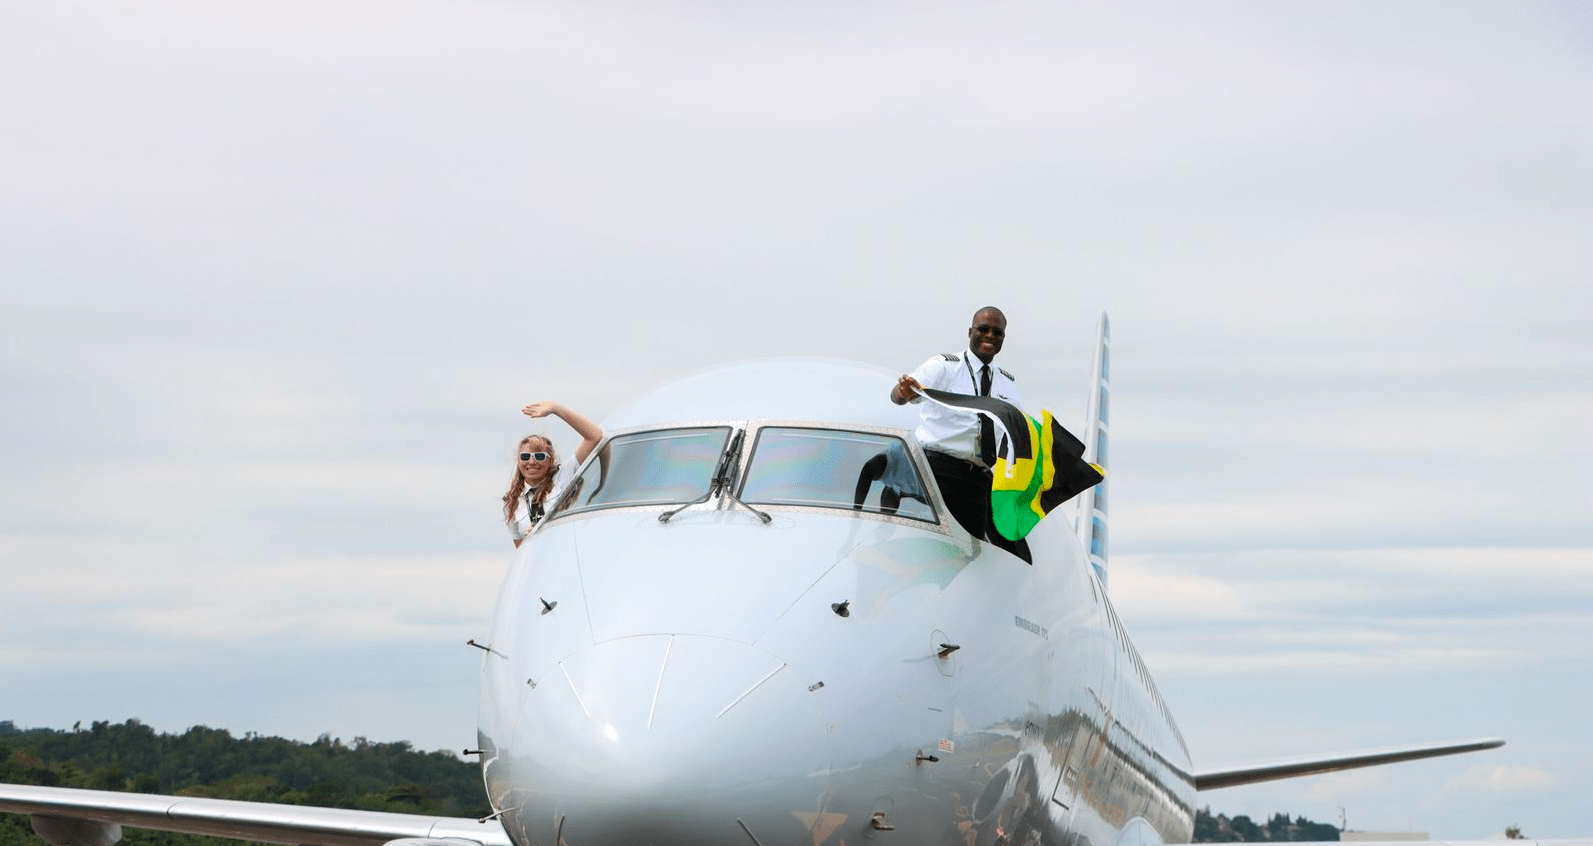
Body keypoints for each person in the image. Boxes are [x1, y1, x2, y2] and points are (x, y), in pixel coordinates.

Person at [889, 306, 1030, 559]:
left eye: (997, 332)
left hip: (977, 479)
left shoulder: (1007, 384)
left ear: (1003, 339)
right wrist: (904, 392)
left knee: (968, 558)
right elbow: (900, 395)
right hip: (937, 473)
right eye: (983, 329)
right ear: (970, 332)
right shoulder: (944, 367)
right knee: (928, 550)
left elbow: (1019, 433)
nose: (989, 336)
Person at [502, 401, 603, 548]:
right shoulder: (512, 502)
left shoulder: (565, 475)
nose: (531, 462)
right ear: (518, 461)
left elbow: (595, 436)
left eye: (540, 456)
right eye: (525, 457)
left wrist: (556, 409)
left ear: (551, 460)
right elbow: (521, 552)